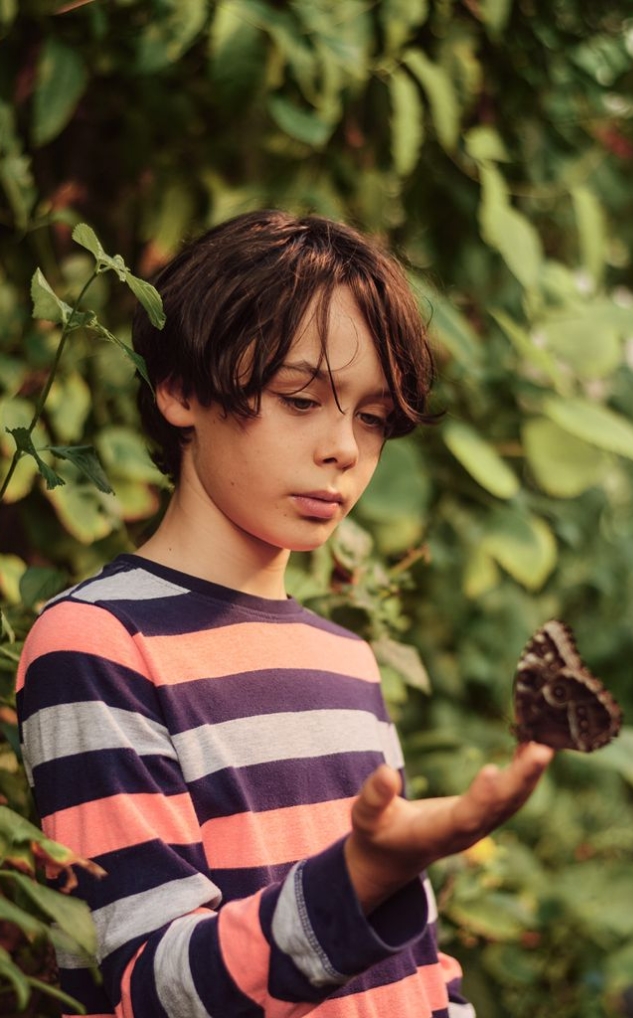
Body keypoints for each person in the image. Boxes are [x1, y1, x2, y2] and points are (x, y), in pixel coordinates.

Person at [16, 210, 552, 1018]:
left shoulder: (346, 660)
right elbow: (147, 989)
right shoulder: (98, 642)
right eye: (301, 398)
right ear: (181, 389)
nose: (343, 447)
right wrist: (360, 880)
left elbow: (419, 971)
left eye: (370, 418)